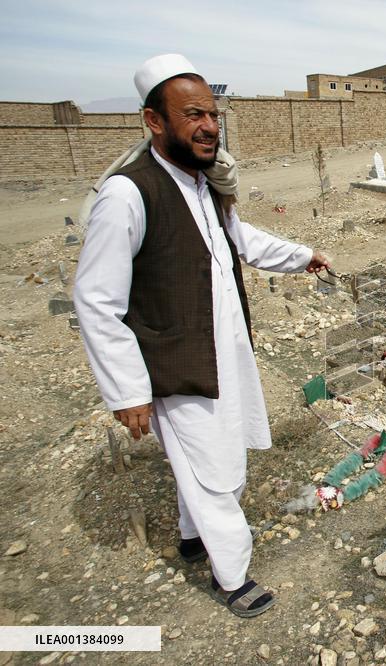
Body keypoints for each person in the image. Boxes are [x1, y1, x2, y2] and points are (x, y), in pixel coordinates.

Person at [74, 54, 330, 618]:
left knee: (212, 458)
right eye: (192, 114)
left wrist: (303, 256)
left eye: (212, 113)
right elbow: (96, 299)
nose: (209, 125)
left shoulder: (203, 183)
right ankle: (232, 576)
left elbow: (244, 240)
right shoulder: (128, 195)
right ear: (153, 122)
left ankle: (193, 540)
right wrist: (127, 391)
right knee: (214, 475)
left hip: (225, 354)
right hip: (177, 361)